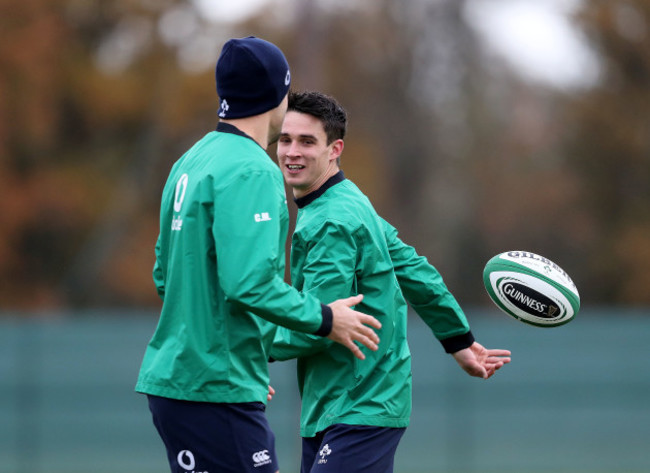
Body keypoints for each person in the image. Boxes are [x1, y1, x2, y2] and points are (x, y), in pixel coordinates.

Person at [135, 38, 382, 473]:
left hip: (177, 383)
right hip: (214, 388)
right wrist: (327, 319)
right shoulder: (252, 168)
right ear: (277, 95)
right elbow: (248, 283)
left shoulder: (190, 160)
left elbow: (165, 274)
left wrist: (243, 356)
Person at [270, 91, 511, 473]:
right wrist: (458, 341)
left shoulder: (332, 220)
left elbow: (316, 323)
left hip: (359, 404)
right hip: (336, 403)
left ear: (335, 149)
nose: (291, 152)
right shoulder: (348, 200)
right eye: (285, 140)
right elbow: (415, 271)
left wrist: (244, 351)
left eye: (306, 141)